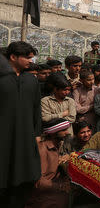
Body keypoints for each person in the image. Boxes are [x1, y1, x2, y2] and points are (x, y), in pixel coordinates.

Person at [0, 42, 41, 207]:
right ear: (13, 57)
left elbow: (36, 109)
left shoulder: (31, 80)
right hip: (3, 138)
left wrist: (37, 134)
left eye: (32, 57)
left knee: (24, 177)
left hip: (25, 137)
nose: (31, 61)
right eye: (27, 57)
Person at [26, 119, 71, 208]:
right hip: (42, 197)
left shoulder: (56, 146)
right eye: (64, 130)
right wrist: (60, 186)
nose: (68, 132)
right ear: (53, 132)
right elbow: (38, 181)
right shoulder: (42, 150)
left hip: (52, 192)